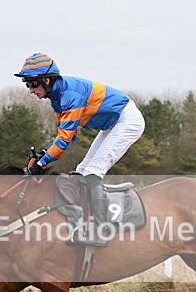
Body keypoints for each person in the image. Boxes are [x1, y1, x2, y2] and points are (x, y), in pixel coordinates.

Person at [15, 52, 145, 245]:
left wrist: (41, 163)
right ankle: (84, 223)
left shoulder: (69, 96)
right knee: (82, 171)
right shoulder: (57, 97)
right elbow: (68, 135)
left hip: (127, 121)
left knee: (93, 171)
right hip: (112, 124)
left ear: (47, 80)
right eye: (27, 84)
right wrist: (44, 153)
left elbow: (65, 139)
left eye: (33, 84)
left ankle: (100, 231)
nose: (30, 90)